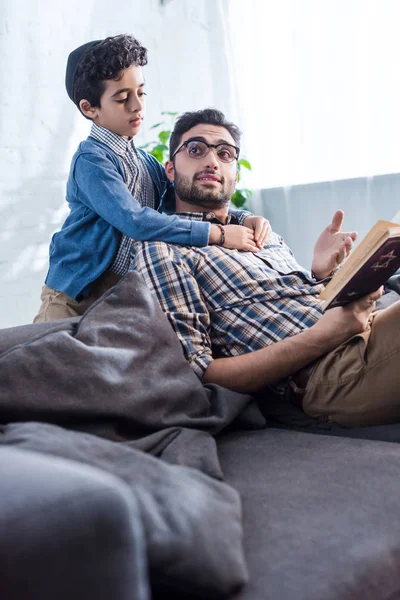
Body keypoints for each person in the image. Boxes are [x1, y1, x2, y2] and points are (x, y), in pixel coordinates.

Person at [132, 108, 400, 429]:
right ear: (171, 170)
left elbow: (298, 306)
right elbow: (199, 374)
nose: (212, 161)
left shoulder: (261, 232)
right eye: (195, 149)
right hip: (331, 371)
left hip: (369, 329)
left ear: (235, 172)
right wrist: (324, 336)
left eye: (225, 153)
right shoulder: (163, 250)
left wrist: (322, 275)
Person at [34, 35, 269, 323]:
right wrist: (218, 235)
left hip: (120, 294)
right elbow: (135, 221)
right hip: (74, 294)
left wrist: (241, 219)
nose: (137, 106)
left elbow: (185, 201)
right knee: (45, 359)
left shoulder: (146, 163)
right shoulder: (91, 161)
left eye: (141, 93)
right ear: (89, 108)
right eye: (122, 98)